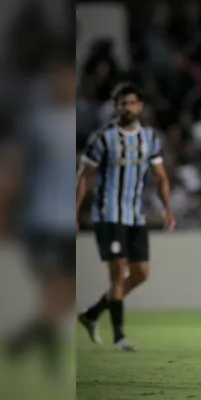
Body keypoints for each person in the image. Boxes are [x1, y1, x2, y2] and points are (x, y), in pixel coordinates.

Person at [76, 82, 176, 352]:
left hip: (136, 216)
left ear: (140, 106)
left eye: (132, 103)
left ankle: (93, 313)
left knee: (141, 274)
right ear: (115, 107)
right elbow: (84, 177)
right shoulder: (102, 138)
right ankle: (119, 336)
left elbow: (160, 177)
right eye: (123, 103)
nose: (128, 107)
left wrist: (168, 209)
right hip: (108, 214)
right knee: (118, 274)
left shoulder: (150, 138)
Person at [3, 49, 76, 377]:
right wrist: (6, 216)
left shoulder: (78, 122)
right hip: (42, 221)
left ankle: (23, 343)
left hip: (68, 222)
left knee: (62, 296)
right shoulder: (37, 123)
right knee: (55, 293)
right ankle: (51, 365)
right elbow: (15, 171)